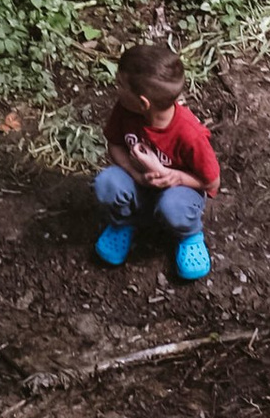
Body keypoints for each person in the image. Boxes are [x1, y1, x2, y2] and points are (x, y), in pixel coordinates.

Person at [92, 40, 219, 281]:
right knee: (107, 182)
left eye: (120, 85)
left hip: (178, 192)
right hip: (138, 182)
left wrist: (175, 177)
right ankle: (124, 221)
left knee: (173, 206)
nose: (116, 89)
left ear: (143, 103)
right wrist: (135, 174)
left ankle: (189, 235)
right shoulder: (125, 110)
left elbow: (212, 182)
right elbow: (115, 145)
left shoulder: (189, 134)